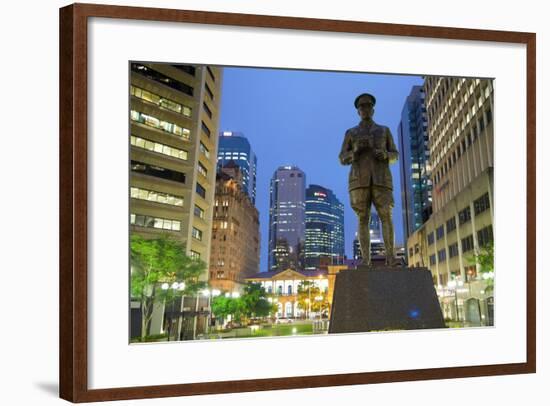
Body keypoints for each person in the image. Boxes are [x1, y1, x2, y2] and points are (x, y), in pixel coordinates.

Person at [339, 93, 399, 267]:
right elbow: (342, 158)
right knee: (362, 218)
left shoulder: (384, 130)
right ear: (358, 111)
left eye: (367, 106)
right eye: (361, 107)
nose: (365, 109)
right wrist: (355, 151)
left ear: (373, 109)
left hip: (382, 179)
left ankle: (391, 258)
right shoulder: (351, 133)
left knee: (386, 216)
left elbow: (395, 154)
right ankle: (365, 261)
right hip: (359, 181)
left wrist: (386, 155)